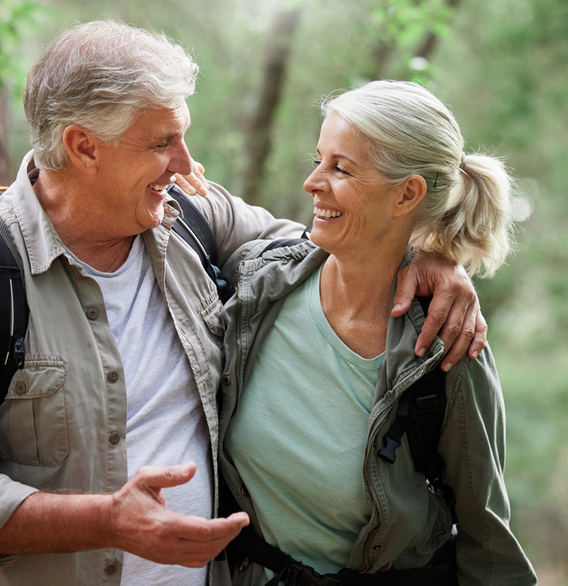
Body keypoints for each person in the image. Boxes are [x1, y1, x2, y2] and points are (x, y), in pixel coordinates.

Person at [0, 21, 485, 586]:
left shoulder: (193, 221)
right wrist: (106, 521)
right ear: (83, 146)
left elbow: (335, 243)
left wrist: (429, 253)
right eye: (162, 141)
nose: (185, 163)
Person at [218, 80, 537, 585]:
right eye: (318, 159)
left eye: (340, 168)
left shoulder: (447, 350)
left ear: (407, 193)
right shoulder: (262, 282)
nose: (313, 182)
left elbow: (489, 543)